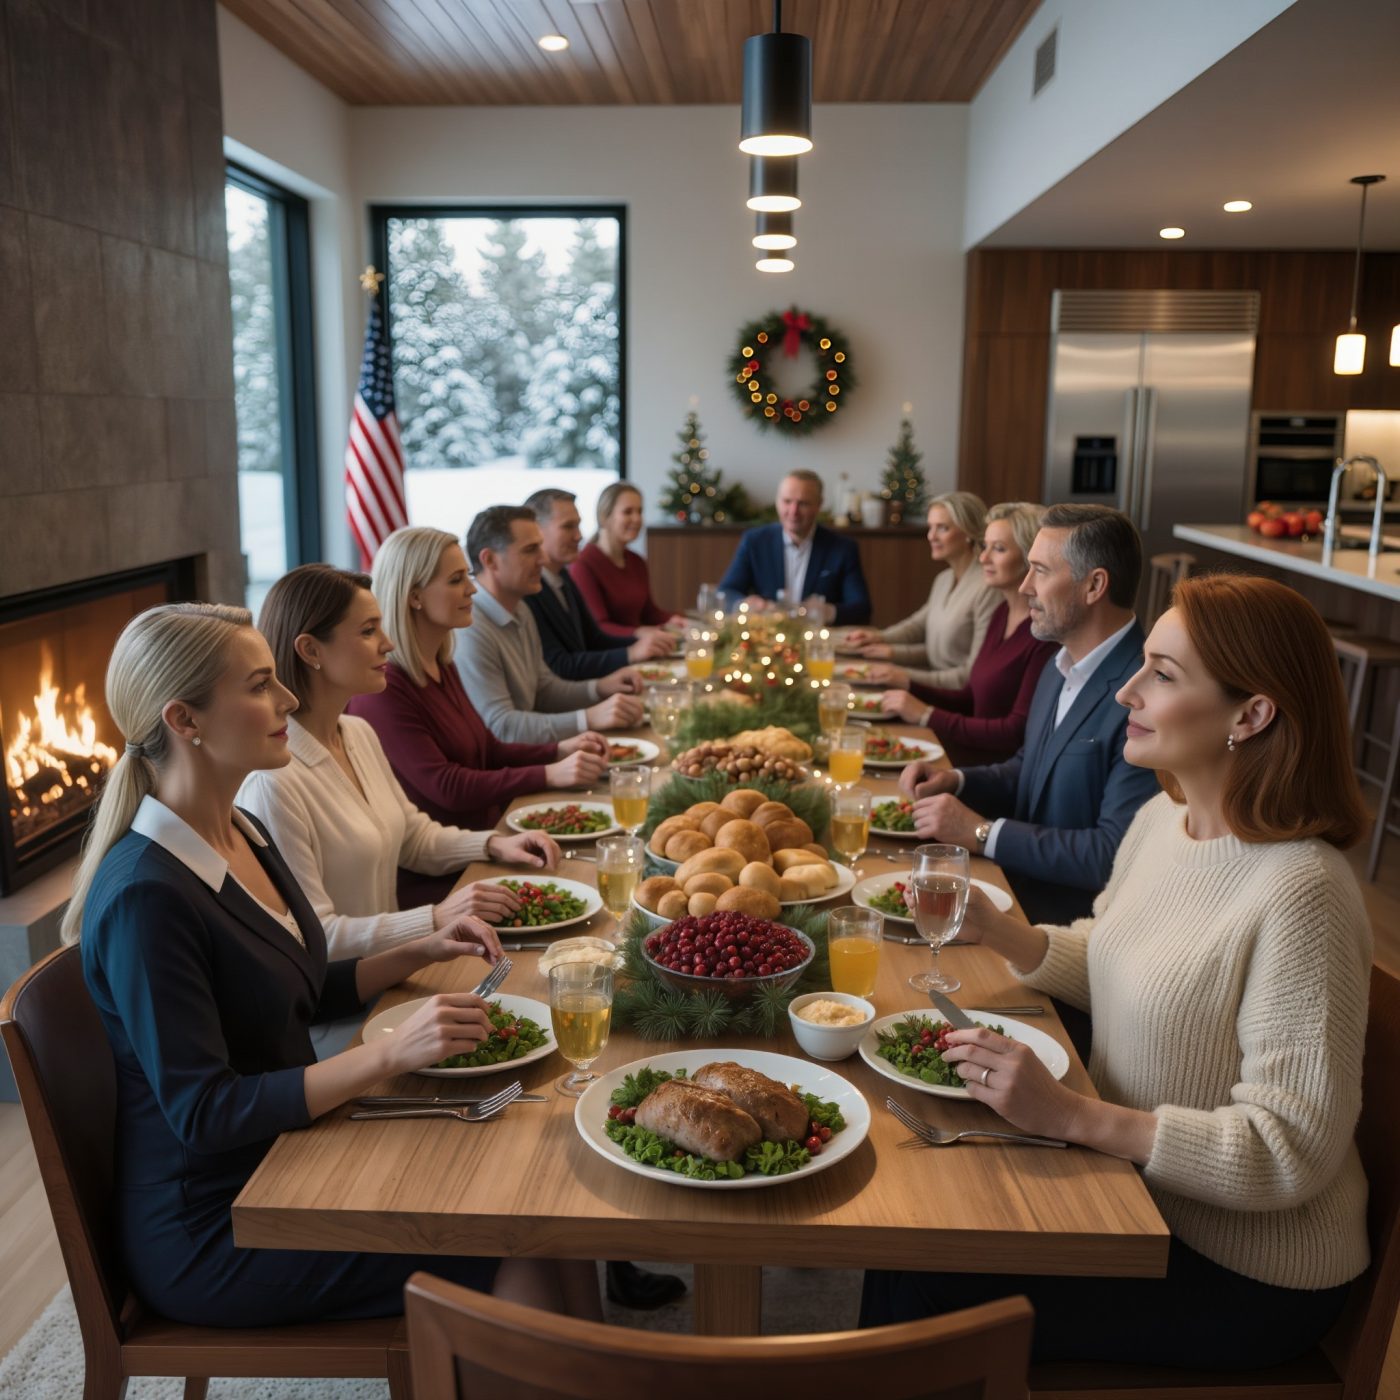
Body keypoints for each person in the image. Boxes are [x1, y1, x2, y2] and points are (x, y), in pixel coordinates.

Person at [864, 574, 1372, 1369]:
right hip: (1127, 1190)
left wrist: (1072, 1116)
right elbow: (1113, 955)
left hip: (1240, 1267)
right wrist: (999, 929)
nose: (1126, 691)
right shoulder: (1163, 819)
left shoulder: (1304, 891)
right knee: (903, 1234)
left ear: (1251, 715)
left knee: (930, 1285)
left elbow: (1290, 1150)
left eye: (1161, 675)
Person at [70, 602, 600, 1329]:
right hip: (220, 1220)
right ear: (184, 720)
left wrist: (418, 949)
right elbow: (206, 1113)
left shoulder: (240, 831)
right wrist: (390, 1054)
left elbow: (288, 989)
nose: (288, 699)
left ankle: (599, 1370)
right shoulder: (147, 897)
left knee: (539, 1195)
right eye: (260, 685)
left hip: (289, 1150)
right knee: (509, 1238)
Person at [241, 563, 562, 962]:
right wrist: (435, 917)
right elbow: (314, 936)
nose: (388, 644)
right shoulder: (272, 783)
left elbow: (413, 838)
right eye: (368, 631)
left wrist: (494, 844)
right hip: (353, 996)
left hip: (400, 967)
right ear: (310, 650)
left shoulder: (357, 732)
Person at [898, 504, 1159, 925]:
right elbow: (1031, 766)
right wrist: (958, 780)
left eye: (1040, 571)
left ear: (1094, 585)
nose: (1025, 587)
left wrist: (982, 833)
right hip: (1012, 892)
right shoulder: (1058, 665)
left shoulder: (1143, 693)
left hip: (1066, 927)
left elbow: (1111, 854)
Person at [347, 527, 607, 871]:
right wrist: (548, 774)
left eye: (467, 576)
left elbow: (487, 749)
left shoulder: (442, 664)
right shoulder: (385, 688)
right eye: (456, 580)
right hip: (451, 868)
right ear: (414, 596)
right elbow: (447, 786)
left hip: (493, 839)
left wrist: (558, 750)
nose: (472, 588)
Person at [880, 502, 1055, 767]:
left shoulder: (1042, 635)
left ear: (1030, 559)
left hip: (991, 769)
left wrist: (926, 715)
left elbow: (1014, 732)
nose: (983, 558)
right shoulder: (1001, 614)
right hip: (969, 752)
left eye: (999, 549)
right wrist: (908, 687)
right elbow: (970, 696)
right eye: (985, 546)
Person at [455, 506, 645, 744]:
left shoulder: (521, 608)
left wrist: (599, 688)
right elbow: (502, 728)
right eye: (530, 550)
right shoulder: (471, 627)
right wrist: (588, 718)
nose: (543, 559)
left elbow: (544, 689)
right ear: (490, 560)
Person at [845, 491, 999, 689]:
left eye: (942, 528)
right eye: (930, 527)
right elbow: (918, 627)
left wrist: (900, 674)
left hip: (954, 697)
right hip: (933, 686)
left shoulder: (988, 589)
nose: (931, 536)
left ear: (969, 532)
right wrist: (879, 638)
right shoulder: (944, 579)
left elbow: (969, 676)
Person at [522, 488, 674, 681]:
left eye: (578, 525)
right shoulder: (529, 590)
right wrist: (631, 652)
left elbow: (594, 639)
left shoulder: (562, 576)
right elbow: (560, 666)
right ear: (536, 531)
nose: (579, 536)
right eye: (568, 527)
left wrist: (644, 643)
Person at [718, 470, 871, 625]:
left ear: (819, 505)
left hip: (817, 636)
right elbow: (725, 593)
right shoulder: (755, 541)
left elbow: (862, 609)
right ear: (777, 501)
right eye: (787, 501)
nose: (793, 511)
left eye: (803, 503)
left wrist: (827, 611)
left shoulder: (842, 548)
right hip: (766, 633)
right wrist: (745, 604)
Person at [570, 482, 689, 638]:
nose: (637, 519)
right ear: (604, 517)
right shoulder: (583, 564)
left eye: (640, 511)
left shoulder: (636, 561)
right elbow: (599, 627)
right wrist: (641, 633)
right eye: (628, 512)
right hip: (617, 650)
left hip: (641, 646)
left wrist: (674, 621)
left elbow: (649, 613)